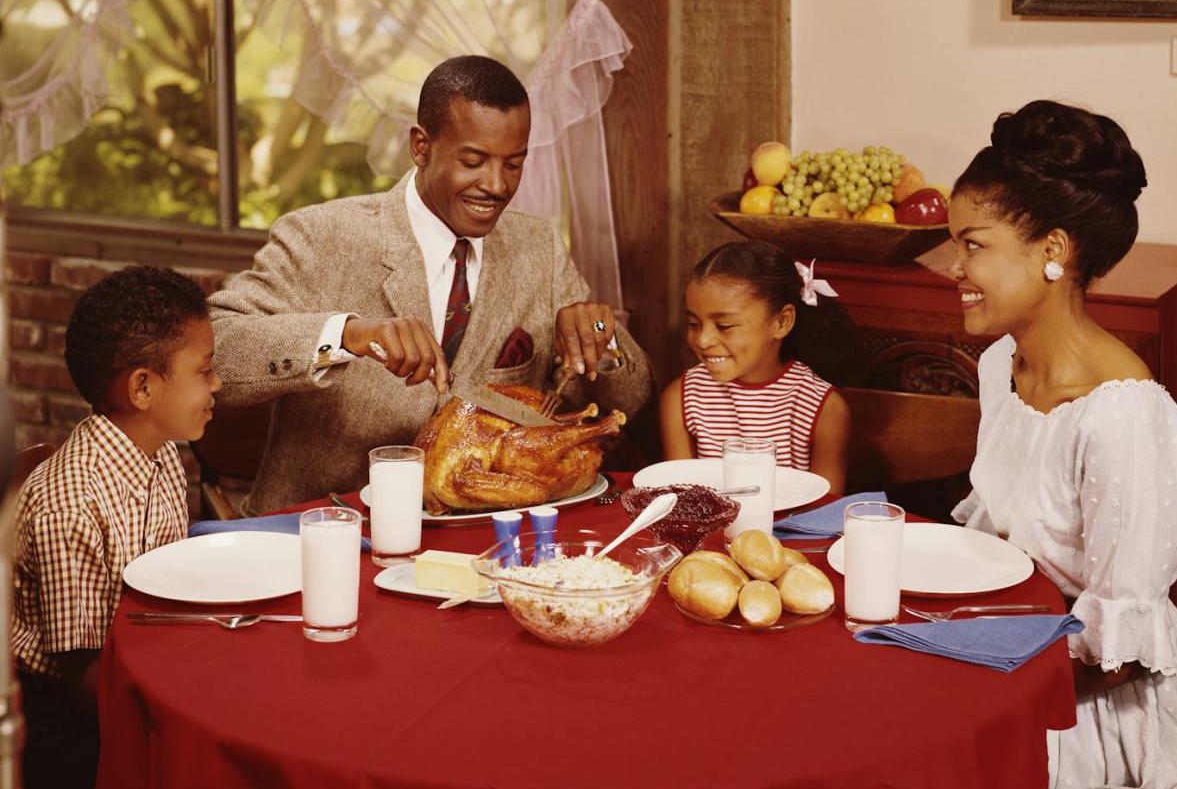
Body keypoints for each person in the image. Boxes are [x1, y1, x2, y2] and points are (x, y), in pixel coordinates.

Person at [947, 100, 1177, 789]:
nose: (951, 265)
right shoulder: (1000, 366)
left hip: (1093, 710)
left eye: (973, 244)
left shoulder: (1125, 418)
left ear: (1053, 249)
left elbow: (1121, 657)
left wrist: (974, 686)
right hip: (1011, 648)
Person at [210, 55, 653, 513]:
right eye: (474, 161)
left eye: (514, 164)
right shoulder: (320, 238)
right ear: (420, 147)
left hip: (481, 545)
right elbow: (217, 350)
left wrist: (604, 338)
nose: (497, 185)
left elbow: (629, 402)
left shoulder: (538, 246)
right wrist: (345, 336)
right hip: (320, 531)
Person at [11, 265, 219, 789]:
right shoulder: (71, 505)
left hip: (147, 664)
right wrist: (186, 705)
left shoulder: (163, 453)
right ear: (144, 388)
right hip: (75, 729)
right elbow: (82, 673)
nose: (217, 384)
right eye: (204, 370)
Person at [659, 240, 853, 493]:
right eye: (694, 324)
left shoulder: (824, 409)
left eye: (724, 326)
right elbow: (679, 499)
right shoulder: (681, 398)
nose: (703, 340)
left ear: (782, 322)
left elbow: (824, 514)